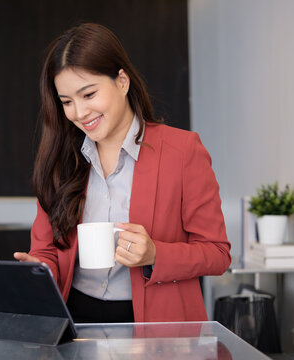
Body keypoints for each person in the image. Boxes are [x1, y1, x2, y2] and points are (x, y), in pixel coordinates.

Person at [14, 23, 230, 323]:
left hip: (158, 326)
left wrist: (156, 254)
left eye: (88, 94)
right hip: (74, 323)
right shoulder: (62, 160)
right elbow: (47, 250)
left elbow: (217, 253)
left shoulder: (183, 151)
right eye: (66, 102)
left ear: (122, 81)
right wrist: (37, 267)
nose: (78, 112)